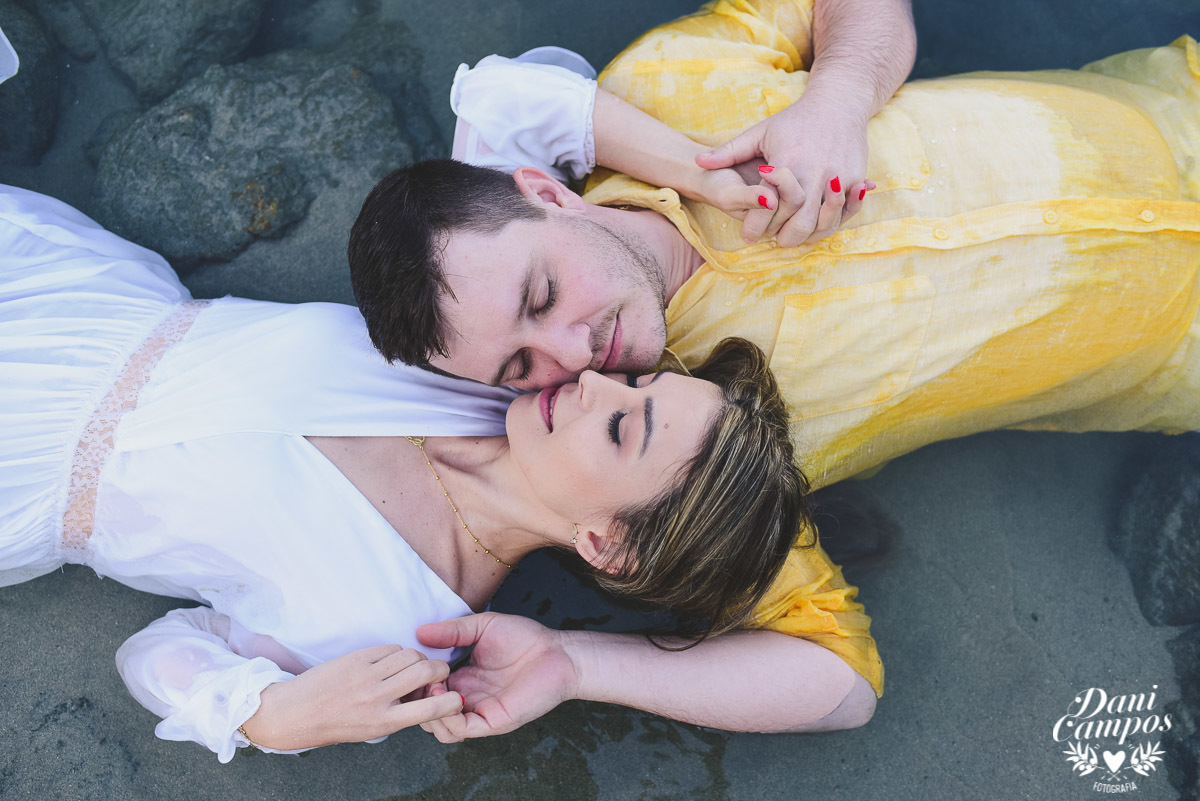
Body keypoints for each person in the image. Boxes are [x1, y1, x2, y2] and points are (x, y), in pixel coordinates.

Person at [346, 0, 1200, 740]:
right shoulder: (692, 443)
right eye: (520, 366)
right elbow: (839, 675)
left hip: (1180, 96)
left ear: (548, 191)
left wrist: (837, 95)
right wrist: (572, 660)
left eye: (544, 292)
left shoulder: (664, 88)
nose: (573, 357)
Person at [0, 182, 866, 762]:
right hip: (72, 294)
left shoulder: (396, 624)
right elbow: (499, 166)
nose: (591, 374)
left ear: (606, 543)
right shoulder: (482, 371)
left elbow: (159, 651)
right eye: (637, 379)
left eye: (620, 423)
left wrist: (270, 715)